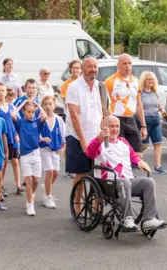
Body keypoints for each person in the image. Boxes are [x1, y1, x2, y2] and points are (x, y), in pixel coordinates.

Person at [85, 115, 167, 231]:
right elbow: (90, 153)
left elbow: (133, 156)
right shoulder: (99, 143)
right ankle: (127, 219)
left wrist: (140, 162)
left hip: (127, 179)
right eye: (111, 126)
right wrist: (100, 138)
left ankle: (149, 219)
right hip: (108, 183)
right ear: (104, 128)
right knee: (124, 182)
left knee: (149, 182)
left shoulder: (123, 141)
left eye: (117, 126)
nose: (115, 129)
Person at [65, 57, 104, 214]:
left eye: (95, 67)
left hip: (96, 136)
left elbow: (104, 111)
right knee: (81, 173)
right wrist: (82, 141)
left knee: (99, 173)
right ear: (82, 68)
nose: (93, 69)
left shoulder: (100, 87)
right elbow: (74, 116)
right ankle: (77, 205)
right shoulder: (74, 87)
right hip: (77, 136)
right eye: (89, 67)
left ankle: (95, 207)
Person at [104, 53, 147, 159]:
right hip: (116, 120)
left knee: (138, 155)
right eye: (124, 64)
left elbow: (138, 104)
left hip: (131, 120)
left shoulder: (136, 81)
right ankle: (120, 175)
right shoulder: (110, 81)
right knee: (119, 154)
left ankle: (129, 174)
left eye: (129, 63)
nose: (128, 66)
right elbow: (104, 104)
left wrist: (143, 126)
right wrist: (109, 120)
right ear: (118, 65)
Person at [12, 99, 47, 216]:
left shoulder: (37, 122)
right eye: (28, 112)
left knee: (36, 180)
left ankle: (31, 194)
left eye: (32, 112)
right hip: (25, 155)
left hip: (36, 153)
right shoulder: (21, 123)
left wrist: (38, 105)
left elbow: (44, 116)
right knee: (29, 180)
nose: (31, 114)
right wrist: (23, 103)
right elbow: (13, 114)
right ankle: (30, 204)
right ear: (23, 111)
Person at [0, 83, 24, 195]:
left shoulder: (11, 107)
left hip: (11, 138)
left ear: (6, 92)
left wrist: (17, 134)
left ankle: (0, 184)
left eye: (3, 90)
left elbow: (18, 122)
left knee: (6, 162)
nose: (1, 92)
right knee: (0, 163)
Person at [138, 71, 167, 174]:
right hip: (145, 120)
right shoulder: (140, 93)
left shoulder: (155, 92)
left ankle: (158, 166)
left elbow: (159, 105)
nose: (151, 81)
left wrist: (163, 110)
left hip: (156, 119)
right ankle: (134, 159)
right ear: (144, 81)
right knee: (144, 145)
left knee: (158, 143)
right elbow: (138, 107)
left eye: (152, 79)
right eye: (149, 79)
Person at [40, 96, 66, 208]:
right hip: (44, 148)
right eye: (45, 104)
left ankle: (46, 187)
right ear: (42, 106)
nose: (48, 106)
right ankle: (48, 196)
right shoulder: (40, 119)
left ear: (54, 106)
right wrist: (42, 139)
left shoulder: (59, 120)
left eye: (50, 104)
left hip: (56, 149)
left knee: (55, 173)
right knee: (49, 171)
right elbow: (36, 134)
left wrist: (63, 148)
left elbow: (65, 136)